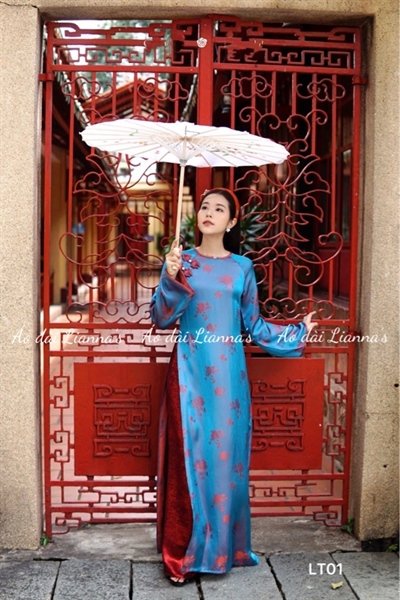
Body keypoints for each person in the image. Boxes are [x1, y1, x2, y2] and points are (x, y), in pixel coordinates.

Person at [150, 188, 317, 586]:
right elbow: (161, 318)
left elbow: (252, 324)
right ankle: (186, 553)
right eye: (204, 206)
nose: (209, 212)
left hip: (229, 381)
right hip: (189, 374)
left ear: (231, 222)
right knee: (192, 459)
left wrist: (296, 332)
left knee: (224, 461)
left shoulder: (242, 267)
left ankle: (221, 550)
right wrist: (170, 276)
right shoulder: (182, 260)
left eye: (219, 209)